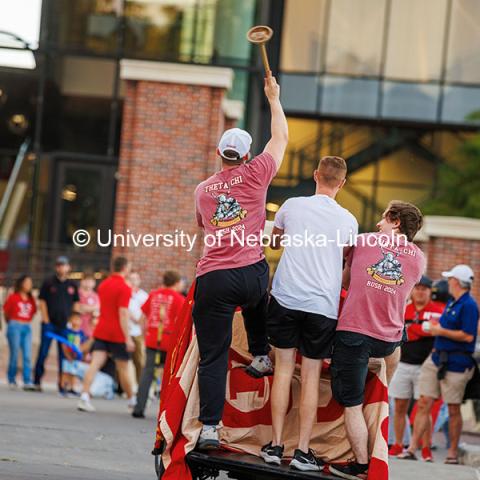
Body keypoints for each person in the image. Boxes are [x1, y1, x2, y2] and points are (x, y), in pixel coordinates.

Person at [194, 75, 288, 449]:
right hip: (250, 272)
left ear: (219, 154)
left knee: (213, 356)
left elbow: (203, 226)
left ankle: (209, 429)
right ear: (246, 156)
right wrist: (273, 99)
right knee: (256, 299)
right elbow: (280, 138)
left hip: (214, 275)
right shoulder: (256, 173)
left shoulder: (202, 189)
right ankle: (262, 352)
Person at [260, 156, 358, 471]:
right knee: (312, 376)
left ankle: (275, 445)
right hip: (323, 306)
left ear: (316, 175)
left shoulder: (291, 205)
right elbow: (347, 259)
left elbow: (273, 243)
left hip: (287, 296)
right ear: (342, 183)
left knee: (284, 371)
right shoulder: (349, 220)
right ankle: (303, 450)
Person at [329, 201, 426, 480]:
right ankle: (383, 393)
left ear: (395, 221)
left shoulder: (364, 242)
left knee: (352, 403)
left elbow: (344, 281)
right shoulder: (418, 258)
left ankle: (360, 464)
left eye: (383, 219)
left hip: (356, 333)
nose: (377, 224)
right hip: (390, 339)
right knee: (377, 396)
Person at [399, 264, 478, 465]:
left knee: (452, 408)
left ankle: (452, 453)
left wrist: (439, 331)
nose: (447, 283)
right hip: (436, 359)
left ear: (457, 282)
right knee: (424, 402)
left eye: (451, 279)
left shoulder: (469, 305)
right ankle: (413, 448)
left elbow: (468, 335)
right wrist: (438, 331)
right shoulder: (453, 302)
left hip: (457, 362)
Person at [388, 275, 443, 461]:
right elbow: (396, 330)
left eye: (424, 289)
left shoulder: (436, 311)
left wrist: (412, 330)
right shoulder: (404, 309)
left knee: (423, 407)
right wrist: (419, 330)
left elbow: (436, 332)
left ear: (430, 291)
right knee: (400, 405)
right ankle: (397, 444)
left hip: (425, 366)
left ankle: (425, 448)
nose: (420, 291)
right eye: (417, 288)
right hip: (402, 363)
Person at [77, 256, 135, 413]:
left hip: (101, 330)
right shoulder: (125, 287)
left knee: (94, 364)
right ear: (124, 268)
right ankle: (132, 401)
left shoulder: (103, 285)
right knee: (123, 368)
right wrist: (128, 338)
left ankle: (84, 397)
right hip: (117, 333)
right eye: (129, 267)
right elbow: (123, 313)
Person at [132, 270, 185, 418]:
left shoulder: (154, 294)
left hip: (152, 339)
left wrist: (145, 333)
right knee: (169, 377)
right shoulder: (179, 299)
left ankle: (138, 408)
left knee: (147, 374)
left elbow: (143, 316)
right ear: (176, 282)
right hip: (169, 342)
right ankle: (166, 413)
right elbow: (182, 323)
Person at [33, 256, 80, 391]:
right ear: (56, 267)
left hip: (64, 326)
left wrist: (73, 322)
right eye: (59, 265)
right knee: (43, 352)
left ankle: (62, 384)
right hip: (49, 324)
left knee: (64, 355)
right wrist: (46, 320)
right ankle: (37, 381)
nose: (61, 268)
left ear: (68, 267)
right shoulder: (48, 282)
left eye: (64, 265)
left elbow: (76, 304)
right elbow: (42, 302)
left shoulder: (72, 285)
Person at [3, 275, 37, 390]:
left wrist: (25, 322)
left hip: (26, 326)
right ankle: (11, 378)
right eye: (27, 282)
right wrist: (12, 323)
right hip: (14, 325)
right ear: (21, 283)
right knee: (15, 353)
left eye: (30, 282)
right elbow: (6, 312)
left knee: (27, 354)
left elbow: (33, 312)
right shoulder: (13, 297)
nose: (29, 285)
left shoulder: (31, 298)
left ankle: (27, 380)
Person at [60, 310, 92, 396]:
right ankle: (63, 387)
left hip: (77, 357)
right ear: (70, 321)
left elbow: (84, 345)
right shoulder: (67, 332)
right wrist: (67, 355)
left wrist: (83, 355)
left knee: (74, 373)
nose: (76, 321)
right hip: (67, 357)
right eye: (74, 319)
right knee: (66, 372)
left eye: (78, 319)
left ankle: (72, 388)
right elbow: (63, 344)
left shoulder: (81, 333)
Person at [127, 271, 148, 384]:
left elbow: (147, 313)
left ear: (139, 281)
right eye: (131, 279)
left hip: (138, 331)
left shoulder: (143, 295)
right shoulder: (125, 293)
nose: (133, 281)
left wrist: (140, 320)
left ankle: (139, 385)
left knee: (139, 360)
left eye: (136, 279)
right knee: (124, 360)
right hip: (125, 330)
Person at [78, 273, 100, 338]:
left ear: (94, 283)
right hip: (76, 329)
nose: (88, 283)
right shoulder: (77, 294)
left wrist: (83, 308)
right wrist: (92, 308)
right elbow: (76, 308)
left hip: (90, 330)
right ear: (81, 281)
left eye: (90, 281)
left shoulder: (95, 296)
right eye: (86, 280)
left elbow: (97, 311)